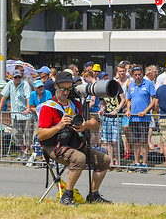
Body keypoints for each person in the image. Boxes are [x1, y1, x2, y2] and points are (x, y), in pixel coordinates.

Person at [37, 71, 111, 206]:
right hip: (54, 146)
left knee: (104, 160)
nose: (65, 92)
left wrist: (84, 125)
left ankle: (93, 195)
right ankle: (67, 195)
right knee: (79, 158)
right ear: (56, 87)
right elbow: (40, 135)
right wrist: (59, 127)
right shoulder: (48, 107)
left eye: (68, 89)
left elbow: (94, 124)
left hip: (74, 143)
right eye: (62, 88)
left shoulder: (75, 104)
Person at [0, 69, 33, 161]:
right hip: (15, 114)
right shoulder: (10, 84)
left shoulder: (25, 84)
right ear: (12, 78)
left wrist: (28, 109)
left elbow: (28, 98)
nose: (18, 79)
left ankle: (26, 152)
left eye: (19, 77)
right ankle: (23, 150)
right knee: (16, 134)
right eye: (16, 77)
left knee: (28, 134)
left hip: (25, 114)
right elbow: (3, 96)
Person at [125, 66, 156, 173]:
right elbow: (128, 99)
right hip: (133, 118)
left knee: (144, 141)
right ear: (133, 75)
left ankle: (145, 163)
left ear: (142, 73)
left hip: (144, 118)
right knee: (135, 141)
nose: (137, 77)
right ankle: (137, 162)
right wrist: (128, 110)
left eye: (139, 74)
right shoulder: (131, 84)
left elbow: (154, 100)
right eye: (135, 75)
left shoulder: (149, 84)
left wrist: (145, 111)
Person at [99, 73, 125, 169]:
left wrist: (117, 110)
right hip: (107, 116)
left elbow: (123, 99)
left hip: (116, 117)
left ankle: (117, 162)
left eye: (106, 77)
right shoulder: (101, 88)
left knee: (115, 141)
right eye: (102, 78)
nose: (105, 78)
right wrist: (101, 109)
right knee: (108, 141)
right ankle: (111, 161)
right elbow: (102, 102)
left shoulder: (116, 85)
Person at [115, 64, 132, 159]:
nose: (121, 73)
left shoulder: (129, 82)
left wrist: (128, 107)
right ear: (117, 72)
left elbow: (129, 97)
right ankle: (120, 152)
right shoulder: (116, 82)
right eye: (120, 71)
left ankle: (128, 152)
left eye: (123, 71)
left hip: (126, 110)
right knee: (118, 132)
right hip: (118, 110)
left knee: (127, 131)